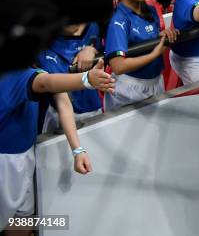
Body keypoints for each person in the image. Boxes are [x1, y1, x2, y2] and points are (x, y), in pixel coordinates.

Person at [0, 63, 115, 232]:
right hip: (5, 165)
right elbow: (46, 83)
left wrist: (77, 150)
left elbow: (62, 100)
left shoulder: (34, 66)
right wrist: (86, 79)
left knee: (23, 219)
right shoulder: (17, 74)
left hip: (24, 158)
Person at [105, 0, 178, 110]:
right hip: (129, 89)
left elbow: (151, 35)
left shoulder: (151, 9)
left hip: (156, 81)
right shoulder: (118, 20)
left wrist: (164, 34)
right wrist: (153, 54)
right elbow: (118, 65)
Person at [36, 22, 103, 133]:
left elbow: (106, 49)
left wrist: (91, 49)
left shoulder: (94, 26)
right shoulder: (43, 51)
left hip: (96, 108)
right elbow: (61, 99)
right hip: (61, 118)